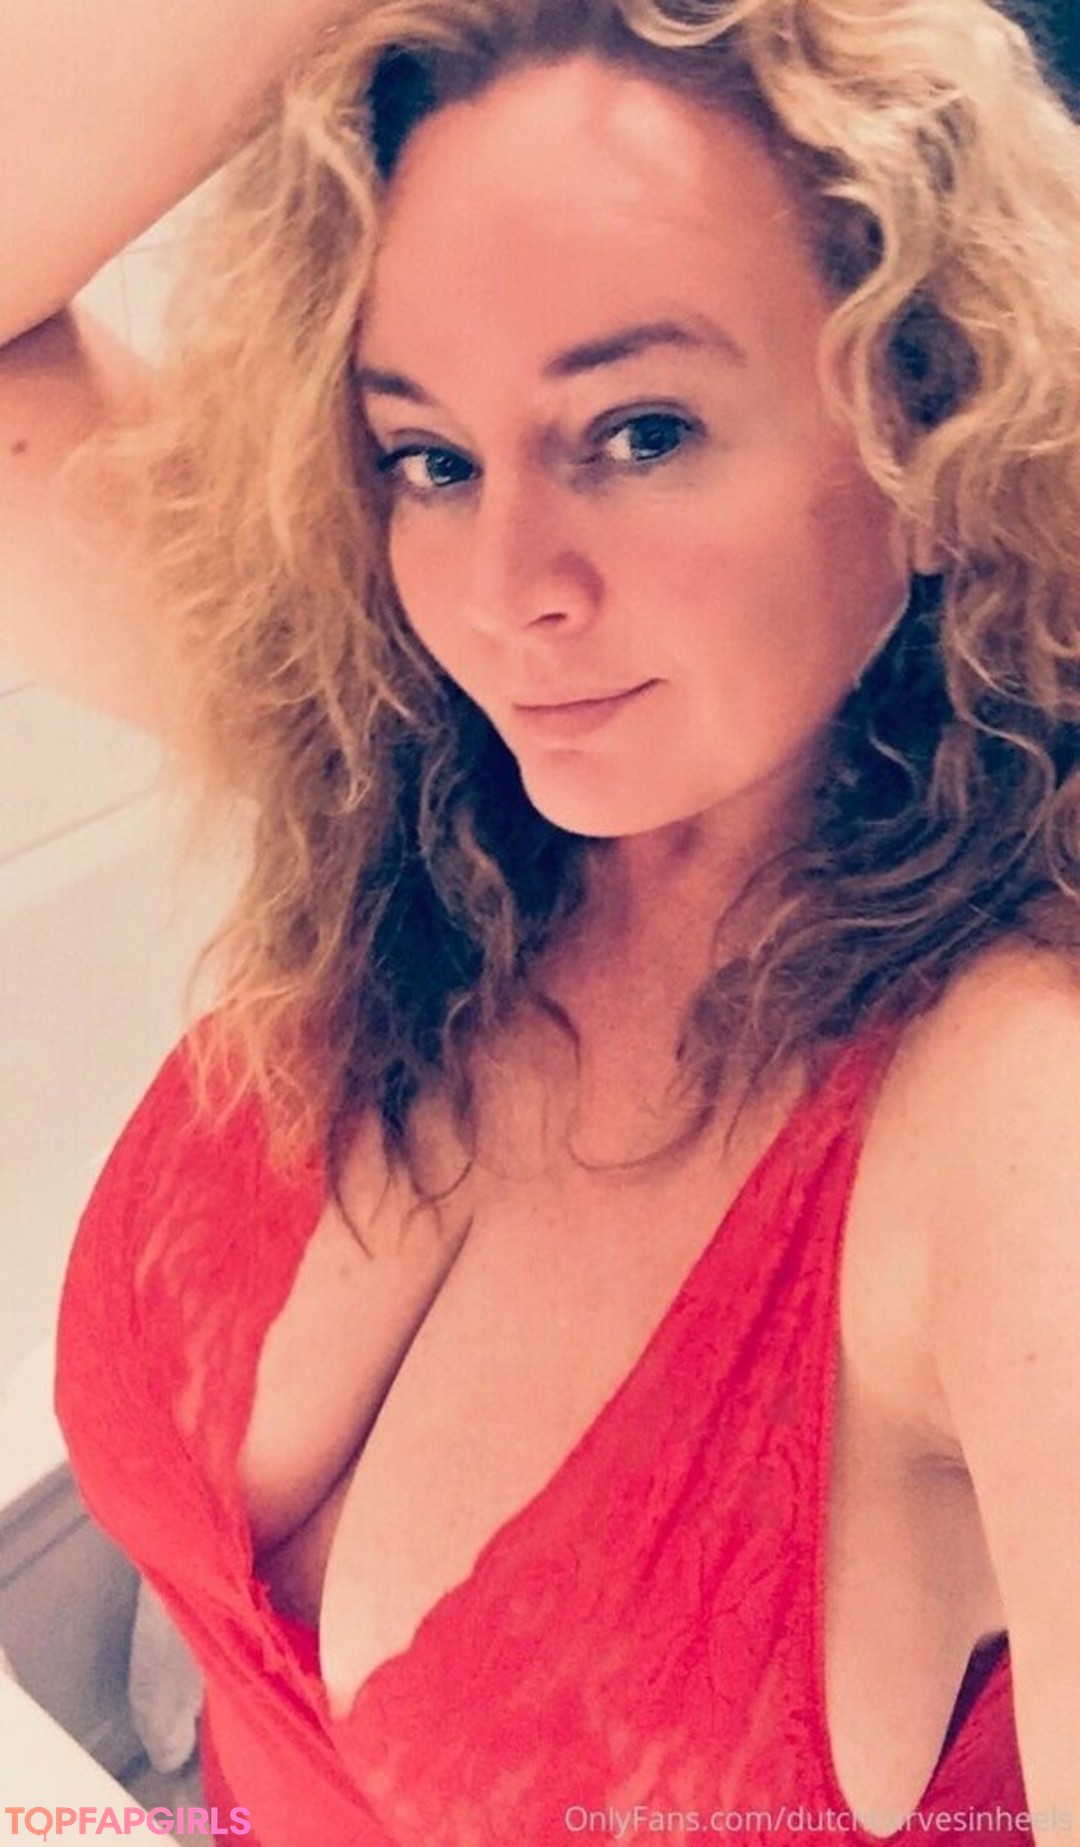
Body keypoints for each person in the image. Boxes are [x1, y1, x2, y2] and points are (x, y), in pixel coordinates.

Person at [2, 0, 1079, 1841]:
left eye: (641, 432)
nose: (505, 593)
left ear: (935, 436)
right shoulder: (400, 768)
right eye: (428, 456)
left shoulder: (1011, 1123)